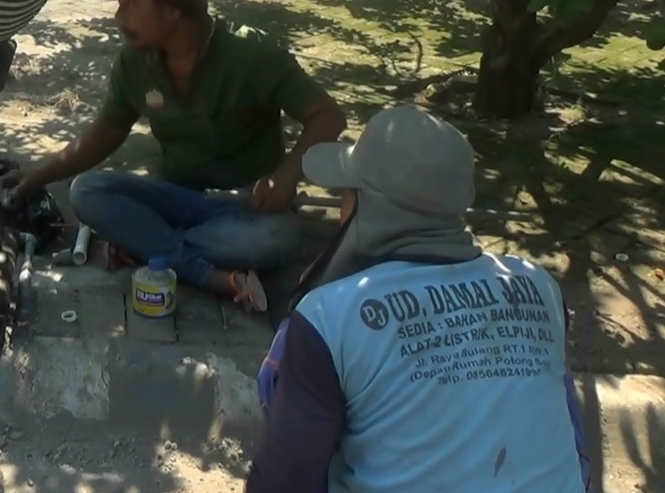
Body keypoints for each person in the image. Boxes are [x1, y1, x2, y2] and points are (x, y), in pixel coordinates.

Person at [247, 105, 591, 493]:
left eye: (348, 191)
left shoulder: (329, 318)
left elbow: (282, 482)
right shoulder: (539, 289)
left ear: (365, 206)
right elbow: (574, 447)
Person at [0, 0, 347, 311]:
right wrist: (36, 177)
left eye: (131, 4)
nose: (120, 16)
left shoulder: (252, 55)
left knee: (280, 238)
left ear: (173, 9)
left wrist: (287, 174)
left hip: (246, 209)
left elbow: (328, 116)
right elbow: (105, 134)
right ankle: (200, 270)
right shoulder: (134, 63)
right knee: (87, 191)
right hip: (172, 198)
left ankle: (147, 245)